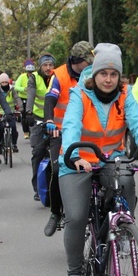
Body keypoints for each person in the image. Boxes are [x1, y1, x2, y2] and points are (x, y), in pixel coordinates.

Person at [58, 43, 138, 276]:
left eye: (114, 75)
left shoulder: (126, 95)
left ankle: (122, 230)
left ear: (119, 77)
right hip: (76, 161)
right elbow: (70, 126)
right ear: (95, 74)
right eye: (104, 73)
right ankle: (75, 274)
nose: (108, 79)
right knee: (77, 217)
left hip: (108, 159)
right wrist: (74, 155)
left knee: (125, 179)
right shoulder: (79, 94)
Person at [41, 41, 94, 237]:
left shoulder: (94, 74)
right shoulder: (60, 75)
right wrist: (49, 120)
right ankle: (55, 213)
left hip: (86, 133)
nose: (91, 65)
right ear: (77, 61)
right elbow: (50, 98)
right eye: (88, 61)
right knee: (57, 169)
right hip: (60, 131)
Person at [26, 53, 56, 202]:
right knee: (38, 152)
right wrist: (29, 112)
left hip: (56, 120)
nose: (48, 68)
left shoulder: (57, 78)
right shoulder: (34, 78)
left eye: (51, 65)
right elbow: (30, 94)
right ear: (40, 66)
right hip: (38, 119)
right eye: (45, 65)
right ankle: (37, 188)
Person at [0, 72, 20, 154]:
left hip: (10, 113)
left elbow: (17, 98)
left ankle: (14, 144)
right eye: (2, 82)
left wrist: (20, 107)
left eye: (6, 82)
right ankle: (0, 144)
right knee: (0, 129)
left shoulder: (12, 90)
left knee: (13, 127)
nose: (4, 84)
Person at [13, 60, 36, 139]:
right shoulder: (22, 76)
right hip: (24, 98)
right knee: (24, 116)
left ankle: (34, 130)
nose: (30, 74)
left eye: (32, 72)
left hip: (33, 98)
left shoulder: (36, 76)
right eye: (29, 72)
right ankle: (26, 132)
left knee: (34, 115)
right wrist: (24, 89)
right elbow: (16, 87)